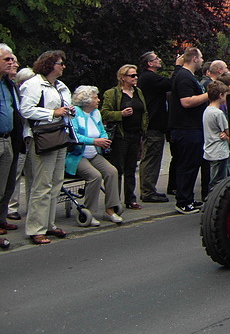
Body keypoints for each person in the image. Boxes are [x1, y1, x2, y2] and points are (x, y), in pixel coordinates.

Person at [18, 50, 73, 245]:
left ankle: (49, 223)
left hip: (58, 134)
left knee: (56, 181)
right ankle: (35, 228)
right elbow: (25, 110)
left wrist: (68, 110)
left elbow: (64, 106)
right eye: (60, 63)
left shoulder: (60, 86)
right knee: (42, 184)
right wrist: (52, 113)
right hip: (41, 136)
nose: (63, 67)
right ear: (49, 65)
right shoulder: (33, 84)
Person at [68, 86, 122, 225]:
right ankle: (90, 211)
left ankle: (110, 209)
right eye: (95, 97)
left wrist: (105, 139)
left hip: (93, 154)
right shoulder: (75, 114)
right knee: (95, 176)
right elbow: (75, 136)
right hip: (78, 155)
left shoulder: (96, 113)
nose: (98, 100)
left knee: (112, 172)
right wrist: (94, 141)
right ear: (86, 100)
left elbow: (102, 130)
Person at [102, 64, 148, 210]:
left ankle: (130, 199)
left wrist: (144, 127)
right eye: (132, 76)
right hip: (121, 135)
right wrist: (120, 114)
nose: (135, 78)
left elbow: (144, 111)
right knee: (118, 168)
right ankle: (114, 201)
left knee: (131, 168)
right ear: (122, 78)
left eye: (136, 75)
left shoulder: (138, 92)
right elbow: (104, 113)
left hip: (136, 134)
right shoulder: (112, 94)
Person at [169, 47, 209, 214]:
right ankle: (184, 201)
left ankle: (188, 198)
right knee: (187, 165)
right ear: (194, 58)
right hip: (187, 129)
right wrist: (210, 95)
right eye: (200, 57)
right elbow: (186, 101)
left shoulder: (186, 76)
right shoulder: (185, 77)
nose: (201, 60)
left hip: (189, 128)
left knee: (190, 165)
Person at [137, 51, 171, 203]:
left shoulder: (148, 78)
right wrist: (178, 67)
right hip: (153, 125)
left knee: (152, 157)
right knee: (152, 157)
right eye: (156, 58)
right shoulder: (149, 78)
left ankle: (149, 189)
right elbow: (170, 84)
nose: (160, 60)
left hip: (155, 124)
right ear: (150, 63)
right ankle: (148, 191)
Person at [0, 45, 24, 249]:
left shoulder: (9, 84)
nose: (11, 62)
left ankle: (1, 219)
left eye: (12, 59)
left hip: (9, 139)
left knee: (7, 185)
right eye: (7, 59)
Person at [7, 67, 36, 221]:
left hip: (31, 137)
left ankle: (33, 205)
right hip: (18, 139)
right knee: (16, 173)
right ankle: (11, 207)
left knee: (32, 173)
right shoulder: (15, 94)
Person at [203, 81, 230, 192]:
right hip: (219, 151)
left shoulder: (207, 110)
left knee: (217, 177)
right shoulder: (218, 113)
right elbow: (228, 131)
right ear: (220, 95)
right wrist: (227, 137)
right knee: (219, 181)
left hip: (210, 150)